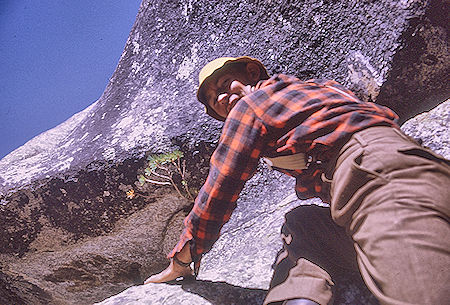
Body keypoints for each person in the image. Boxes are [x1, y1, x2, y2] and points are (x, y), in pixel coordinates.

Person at [145, 56, 450, 305]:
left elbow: (220, 187)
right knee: (303, 223)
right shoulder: (317, 89)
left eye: (224, 84)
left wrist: (184, 257)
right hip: (393, 174)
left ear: (252, 73)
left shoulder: (252, 105)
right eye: (213, 99)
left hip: (375, 176)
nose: (222, 98)